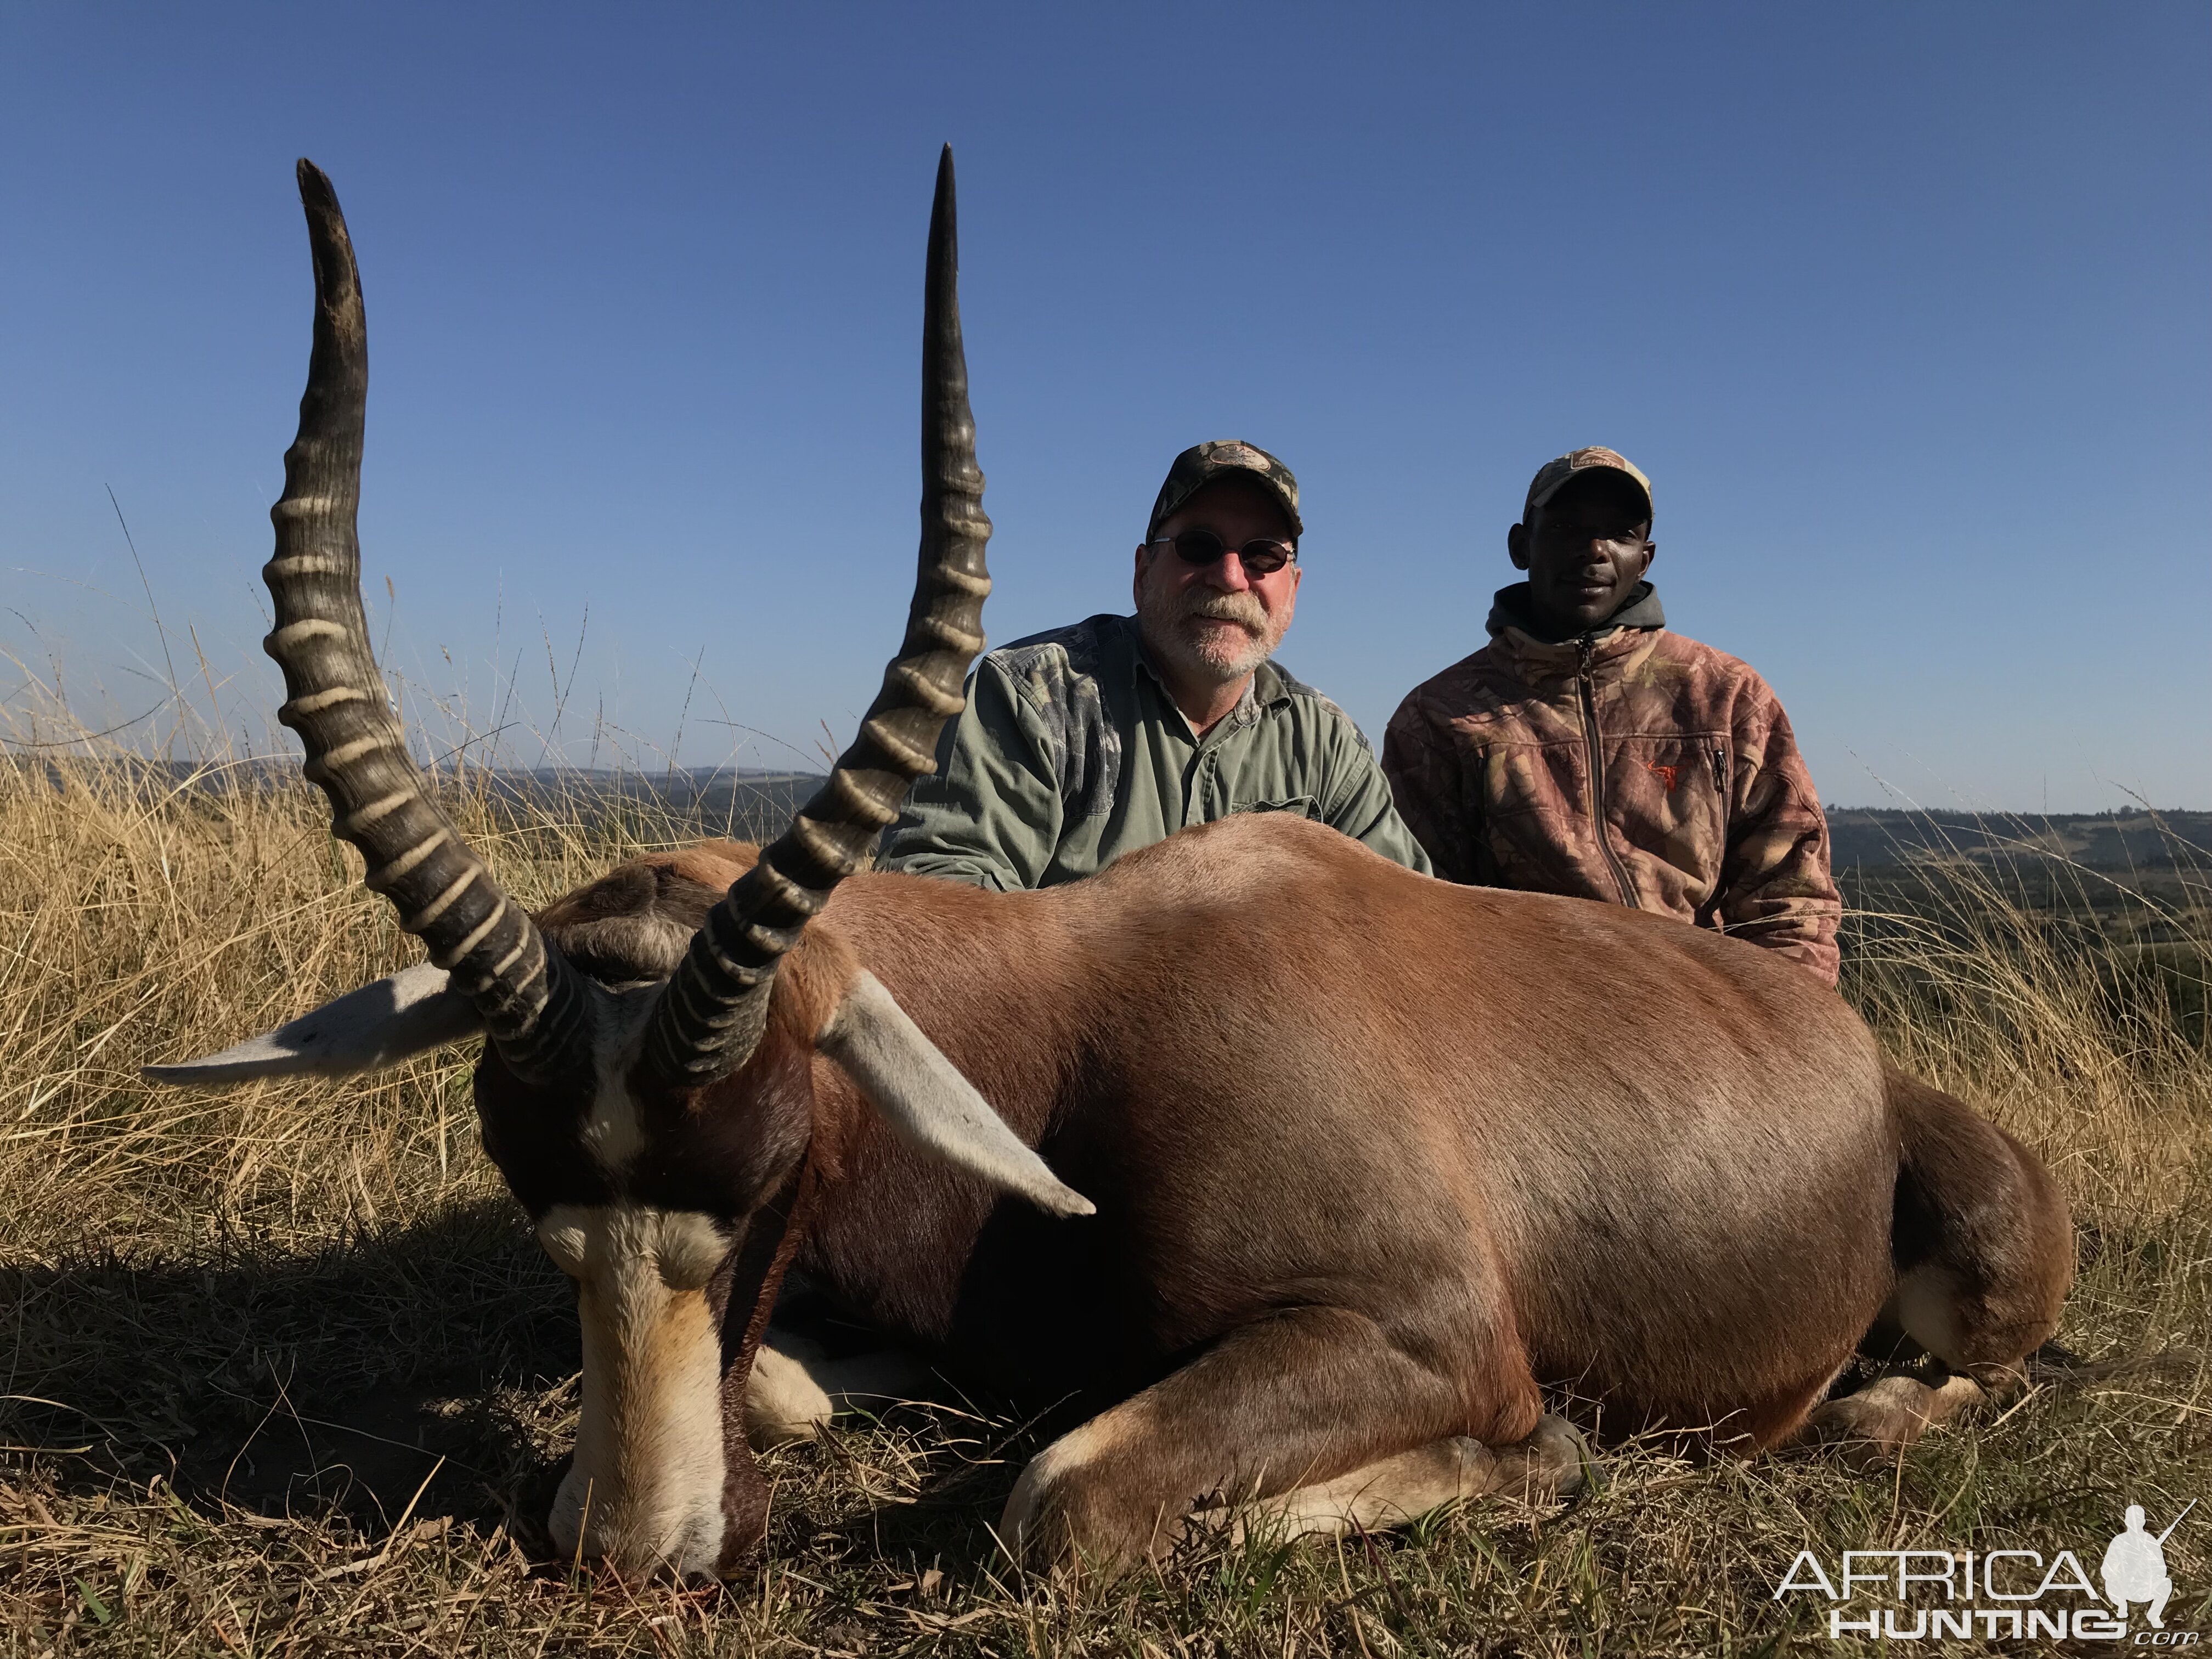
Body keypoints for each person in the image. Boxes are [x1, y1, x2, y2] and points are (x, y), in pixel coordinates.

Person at [1383, 446, 1841, 983]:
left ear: (1644, 557)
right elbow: (1418, 916)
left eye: (1620, 534)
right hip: (1523, 1020)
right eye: (1566, 527)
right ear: (1520, 545)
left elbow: (1792, 903)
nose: (1593, 549)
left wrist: (1775, 1032)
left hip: (1707, 1016)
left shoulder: (1725, 695)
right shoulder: (1440, 715)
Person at [883, 439, 1430, 885]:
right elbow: (940, 892)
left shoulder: (1327, 744)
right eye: (1198, 545)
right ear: (1143, 573)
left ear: (1293, 591)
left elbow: (1412, 926)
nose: (1231, 577)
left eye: (1265, 555)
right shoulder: (1032, 694)